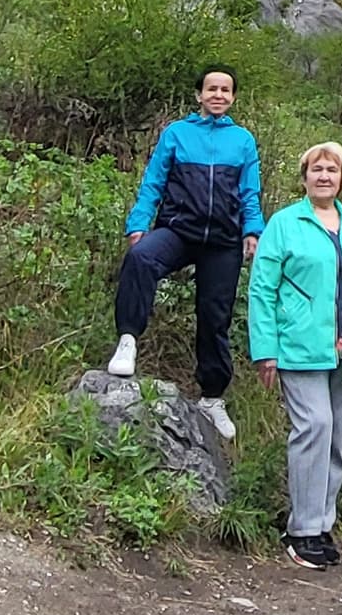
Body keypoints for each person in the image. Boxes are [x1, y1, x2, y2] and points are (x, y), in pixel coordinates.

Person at [245, 140, 342, 569]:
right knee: (315, 427)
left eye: (331, 170)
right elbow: (262, 289)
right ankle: (301, 528)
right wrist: (264, 350)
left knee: (341, 435)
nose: (323, 176)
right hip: (300, 347)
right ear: (304, 177)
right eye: (316, 169)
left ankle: (323, 523)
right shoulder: (286, 224)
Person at [110, 68, 261, 442]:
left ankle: (212, 397)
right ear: (199, 94)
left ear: (233, 98)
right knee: (142, 258)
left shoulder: (243, 140)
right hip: (179, 230)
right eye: (212, 88)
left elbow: (249, 193)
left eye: (226, 90)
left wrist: (253, 230)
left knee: (215, 315)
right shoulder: (177, 133)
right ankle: (128, 339)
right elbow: (153, 181)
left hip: (223, 240)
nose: (218, 95)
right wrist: (139, 222)